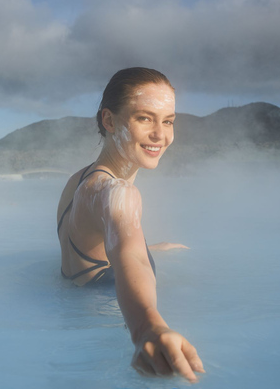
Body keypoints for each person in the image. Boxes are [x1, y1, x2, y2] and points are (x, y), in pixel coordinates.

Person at [55, 67, 204, 382]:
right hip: (109, 336)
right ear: (109, 121)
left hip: (74, 332)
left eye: (168, 121)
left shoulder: (81, 180)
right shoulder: (119, 193)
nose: (160, 135)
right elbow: (130, 258)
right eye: (144, 118)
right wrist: (148, 329)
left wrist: (152, 248)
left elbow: (103, 243)